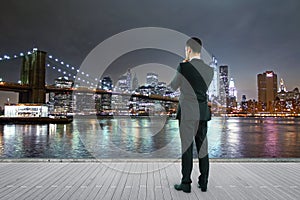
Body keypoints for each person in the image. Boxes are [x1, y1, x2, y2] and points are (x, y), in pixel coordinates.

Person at [169, 37, 214, 193]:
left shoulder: (183, 67)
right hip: (202, 112)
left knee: (186, 149)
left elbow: (173, 86)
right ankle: (204, 182)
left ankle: (186, 183)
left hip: (187, 112)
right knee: (203, 148)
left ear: (188, 49)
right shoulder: (210, 71)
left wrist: (182, 67)